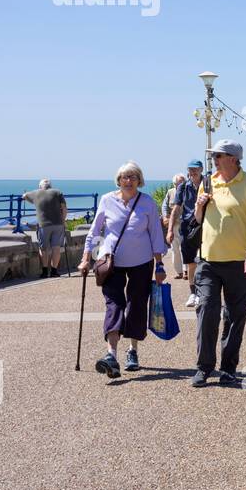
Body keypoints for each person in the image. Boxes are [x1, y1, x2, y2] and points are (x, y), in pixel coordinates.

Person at [79, 162, 166, 377]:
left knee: (136, 305)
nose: (129, 180)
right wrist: (85, 258)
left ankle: (132, 350)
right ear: (118, 180)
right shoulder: (107, 200)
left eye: (133, 177)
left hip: (142, 262)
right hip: (111, 262)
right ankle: (111, 354)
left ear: (139, 180)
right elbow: (95, 231)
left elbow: (156, 234)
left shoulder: (146, 203)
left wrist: (160, 264)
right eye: (125, 177)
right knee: (114, 304)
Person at [191, 139, 246, 387]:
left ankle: (228, 368)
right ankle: (203, 367)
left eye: (219, 155)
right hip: (209, 260)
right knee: (206, 311)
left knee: (235, 317)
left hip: (239, 261)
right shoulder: (207, 182)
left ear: (233, 158)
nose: (214, 159)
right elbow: (197, 219)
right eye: (214, 155)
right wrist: (200, 206)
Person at [168, 160, 205, 306]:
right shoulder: (183, 187)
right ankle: (193, 293)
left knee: (208, 261)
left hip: (206, 226)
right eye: (190, 169)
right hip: (188, 227)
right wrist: (170, 229)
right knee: (190, 262)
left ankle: (206, 293)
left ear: (201, 169)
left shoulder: (208, 184)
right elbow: (176, 209)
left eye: (195, 169)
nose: (193, 172)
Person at [23, 179, 68, 278]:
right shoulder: (58, 192)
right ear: (50, 186)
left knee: (43, 248)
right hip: (58, 224)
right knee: (56, 248)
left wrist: (25, 195)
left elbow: (25, 196)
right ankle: (54, 271)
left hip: (43, 225)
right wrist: (63, 221)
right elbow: (64, 208)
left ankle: (44, 272)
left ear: (40, 186)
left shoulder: (35, 193)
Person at [164, 174, 186, 278]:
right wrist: (165, 217)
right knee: (175, 249)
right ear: (174, 184)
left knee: (184, 248)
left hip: (185, 225)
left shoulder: (188, 191)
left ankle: (186, 271)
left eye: (182, 182)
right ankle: (179, 272)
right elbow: (164, 206)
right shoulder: (170, 192)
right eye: (178, 183)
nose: (181, 185)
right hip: (173, 225)